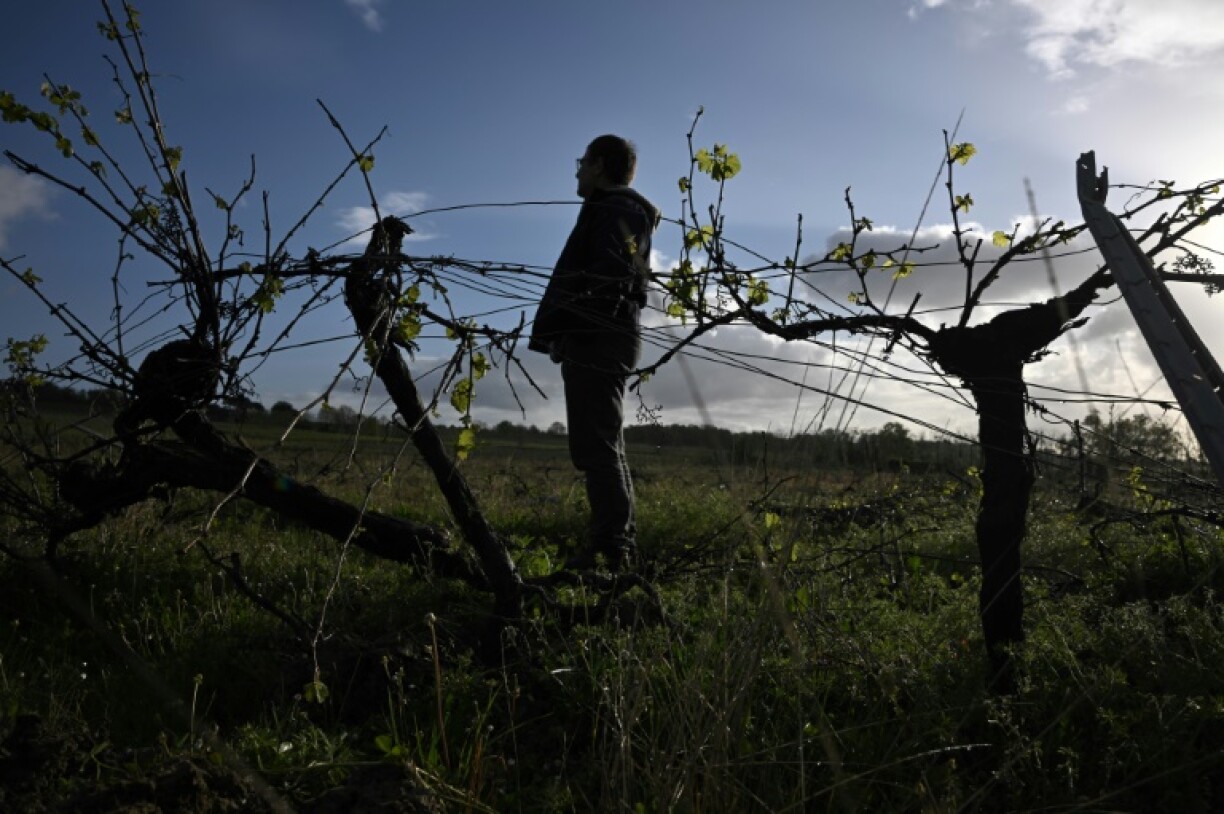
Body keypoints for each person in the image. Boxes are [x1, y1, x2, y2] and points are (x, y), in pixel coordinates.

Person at [529, 134, 660, 571]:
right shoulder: (611, 210)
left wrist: (568, 328)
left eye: (582, 161)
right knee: (603, 443)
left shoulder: (617, 210)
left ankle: (611, 548)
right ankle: (616, 544)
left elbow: (606, 283)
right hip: (602, 336)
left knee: (598, 446)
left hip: (601, 338)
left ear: (601, 165)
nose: (577, 169)